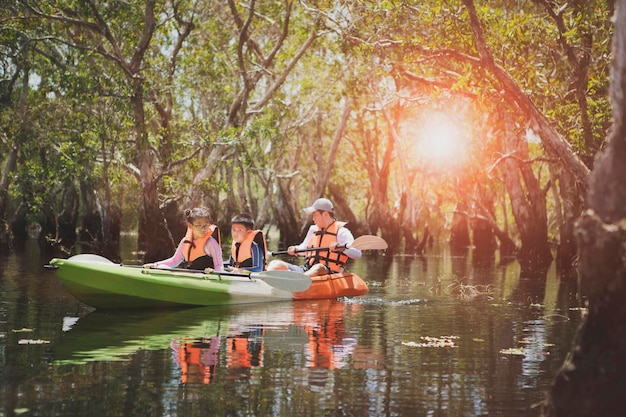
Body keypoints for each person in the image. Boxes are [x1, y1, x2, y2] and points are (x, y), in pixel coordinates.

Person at [267, 198, 361, 276]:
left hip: (328, 273)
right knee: (275, 264)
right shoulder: (313, 229)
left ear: (325, 214)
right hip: (307, 270)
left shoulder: (342, 231)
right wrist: (296, 249)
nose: (313, 219)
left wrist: (341, 248)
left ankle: (299, 280)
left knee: (319, 267)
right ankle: (266, 279)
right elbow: (304, 248)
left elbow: (357, 254)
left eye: (315, 215)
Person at [143, 207, 223, 272]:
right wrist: (155, 265)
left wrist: (214, 272)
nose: (203, 229)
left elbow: (219, 265)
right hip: (190, 276)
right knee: (161, 267)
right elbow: (174, 261)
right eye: (199, 225)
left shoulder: (211, 243)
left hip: (207, 278)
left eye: (206, 225)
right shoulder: (185, 242)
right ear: (190, 226)